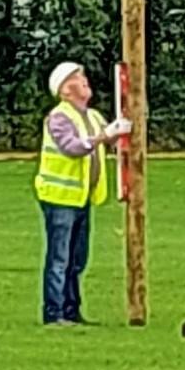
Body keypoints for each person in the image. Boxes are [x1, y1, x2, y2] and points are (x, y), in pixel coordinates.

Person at [35, 61, 131, 327]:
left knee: (77, 259)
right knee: (59, 259)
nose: (84, 80)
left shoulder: (92, 116)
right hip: (59, 198)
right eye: (77, 78)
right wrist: (105, 136)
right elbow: (73, 147)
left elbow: (108, 138)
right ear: (65, 90)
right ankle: (54, 314)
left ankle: (72, 310)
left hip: (81, 198)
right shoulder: (59, 118)